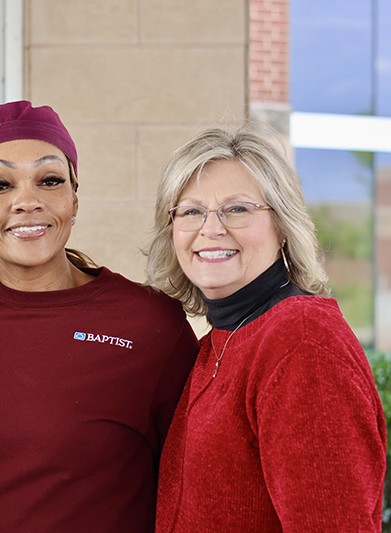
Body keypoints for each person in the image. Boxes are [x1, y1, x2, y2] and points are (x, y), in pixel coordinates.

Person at [0, 100, 199, 532]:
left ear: (74, 197)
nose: (27, 201)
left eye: (49, 180)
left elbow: (191, 486)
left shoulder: (150, 324)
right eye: (0, 185)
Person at [144, 124, 386, 531]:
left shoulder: (301, 341)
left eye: (237, 209)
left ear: (283, 226)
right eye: (191, 211)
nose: (211, 228)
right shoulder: (219, 343)